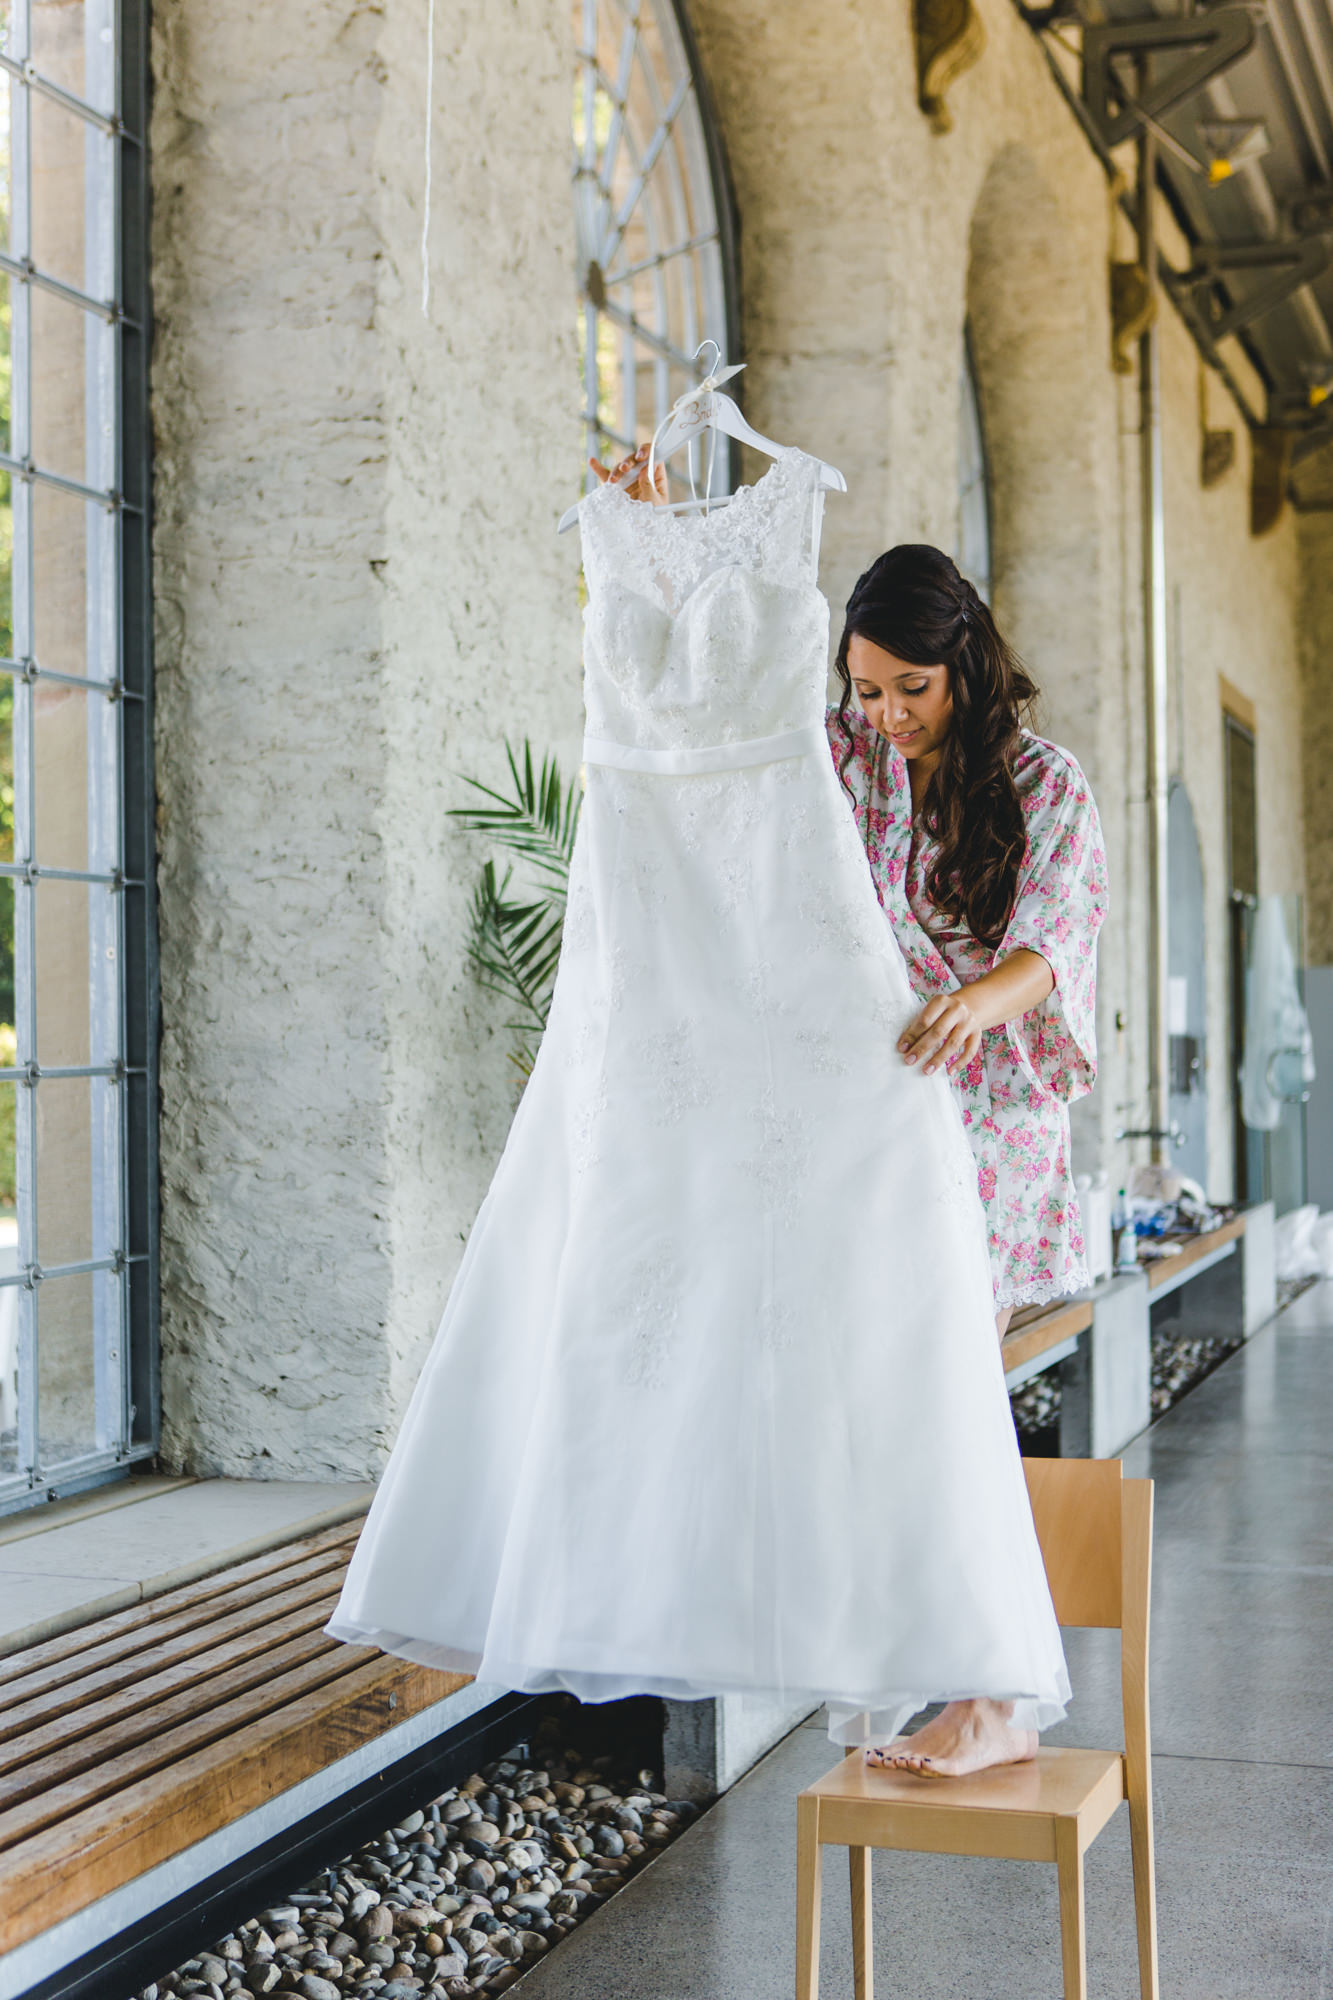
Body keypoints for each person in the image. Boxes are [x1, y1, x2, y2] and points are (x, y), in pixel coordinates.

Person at [593, 448, 1105, 1776]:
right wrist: (654, 547)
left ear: (966, 667)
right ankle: (923, 1660)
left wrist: (981, 1001)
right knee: (872, 1396)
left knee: (951, 1396)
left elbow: (1057, 937)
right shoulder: (841, 751)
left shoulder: (1042, 783)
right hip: (866, 1115)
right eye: (864, 690)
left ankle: (994, 1692)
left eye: (909, 691)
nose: (883, 716)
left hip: (981, 1115)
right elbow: (723, 725)